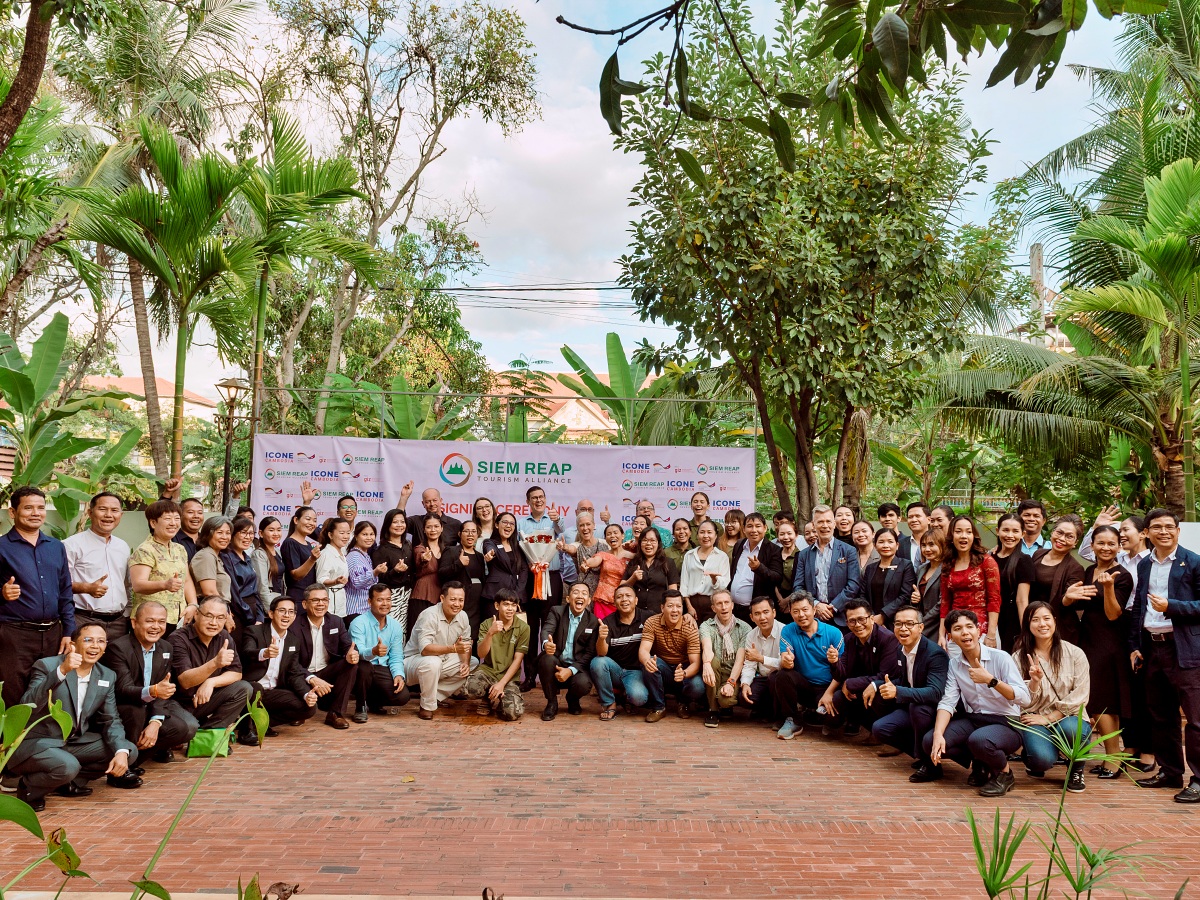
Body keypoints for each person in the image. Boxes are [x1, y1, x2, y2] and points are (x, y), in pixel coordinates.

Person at [9, 624, 140, 811]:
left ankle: (69, 782)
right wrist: (62, 671)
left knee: (128, 751)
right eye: (88, 640)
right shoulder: (48, 665)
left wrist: (120, 752)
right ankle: (29, 788)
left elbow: (111, 719)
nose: (95, 645)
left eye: (100, 641)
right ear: (73, 645)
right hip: (38, 742)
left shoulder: (107, 675)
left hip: (73, 742)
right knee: (67, 766)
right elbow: (28, 705)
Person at [1128, 508, 1200, 802]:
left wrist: (1171, 606)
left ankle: (1198, 779)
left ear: (1178, 531)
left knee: (1195, 719)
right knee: (1161, 714)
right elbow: (1138, 608)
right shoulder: (1144, 564)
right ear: (1147, 533)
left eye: (1169, 526)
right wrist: (1134, 645)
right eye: (1156, 527)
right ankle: (1170, 771)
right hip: (1151, 647)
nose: (1164, 531)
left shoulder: (1193, 562)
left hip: (1184, 648)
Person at [923, 609, 1030, 797]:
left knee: (979, 740)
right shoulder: (955, 664)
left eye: (969, 627)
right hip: (975, 720)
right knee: (930, 741)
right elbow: (948, 701)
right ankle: (980, 763)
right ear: (950, 637)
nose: (965, 632)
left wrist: (991, 680)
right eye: (957, 628)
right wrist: (939, 734)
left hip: (1007, 722)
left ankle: (1005, 774)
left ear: (979, 631)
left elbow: (1024, 697)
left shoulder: (1001, 657)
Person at [0, 486, 76, 709]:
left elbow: (65, 590)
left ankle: (40, 741)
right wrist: (2, 592)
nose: (36, 513)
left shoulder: (56, 546)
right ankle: (11, 743)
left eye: (41, 508)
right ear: (12, 512)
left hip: (53, 634)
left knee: (50, 688)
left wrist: (68, 630)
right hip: (15, 634)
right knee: (13, 691)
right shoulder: (2, 547)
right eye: (28, 508)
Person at [1070, 525, 1134, 778]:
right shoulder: (1088, 570)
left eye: (1111, 543)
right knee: (1094, 701)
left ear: (1119, 546)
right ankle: (1110, 756)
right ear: (1093, 546)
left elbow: (1113, 613)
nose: (1106, 548)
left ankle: (1114, 760)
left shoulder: (1123, 575)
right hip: (1088, 638)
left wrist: (1108, 588)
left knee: (1104, 704)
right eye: (1101, 543)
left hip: (1109, 643)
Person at [103, 601, 198, 765]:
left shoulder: (166, 647)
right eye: (149, 621)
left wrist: (155, 721)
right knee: (136, 712)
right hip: (126, 707)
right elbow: (123, 690)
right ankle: (124, 763)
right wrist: (153, 691)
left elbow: (164, 688)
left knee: (185, 728)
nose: (156, 626)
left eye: (161, 622)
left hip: (152, 705)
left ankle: (136, 760)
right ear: (134, 623)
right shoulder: (118, 648)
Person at [1011, 601, 1091, 792]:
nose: (1042, 624)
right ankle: (1034, 755)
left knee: (1074, 729)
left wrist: (1048, 718)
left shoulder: (1074, 654)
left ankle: (1076, 768)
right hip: (1035, 718)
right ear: (1028, 625)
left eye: (1047, 618)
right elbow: (1018, 699)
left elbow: (1081, 695)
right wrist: (1034, 682)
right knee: (1042, 760)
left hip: (1068, 717)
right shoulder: (1018, 657)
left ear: (1054, 621)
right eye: (1035, 620)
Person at [870, 605, 949, 776]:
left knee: (918, 709)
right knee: (880, 728)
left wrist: (898, 691)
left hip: (934, 710)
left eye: (909, 624)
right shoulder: (901, 649)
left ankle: (932, 766)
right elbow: (906, 681)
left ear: (921, 627)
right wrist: (877, 685)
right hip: (912, 705)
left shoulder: (935, 654)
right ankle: (921, 755)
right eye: (898, 624)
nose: (903, 629)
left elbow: (936, 692)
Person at [288, 584, 368, 729]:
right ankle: (299, 712)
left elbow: (348, 646)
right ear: (305, 604)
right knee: (302, 706)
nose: (321, 604)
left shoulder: (336, 621)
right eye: (315, 600)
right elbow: (291, 663)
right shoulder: (294, 626)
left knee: (350, 664)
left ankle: (336, 713)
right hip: (302, 675)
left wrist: (351, 654)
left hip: (327, 673)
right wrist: (311, 678)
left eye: (325, 600)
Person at [169, 596, 254, 732]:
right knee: (189, 727)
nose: (214, 623)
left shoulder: (224, 636)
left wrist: (211, 682)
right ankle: (190, 731)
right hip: (178, 703)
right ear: (196, 614)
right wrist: (215, 663)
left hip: (204, 700)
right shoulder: (178, 638)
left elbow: (236, 673)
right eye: (209, 616)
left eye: (220, 618)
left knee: (244, 688)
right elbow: (185, 681)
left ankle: (209, 733)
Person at [240, 597, 318, 740]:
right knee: (256, 688)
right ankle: (245, 731)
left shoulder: (293, 640)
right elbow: (245, 653)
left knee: (309, 707)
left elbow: (294, 674)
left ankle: (261, 723)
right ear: (271, 614)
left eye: (290, 612)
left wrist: (307, 695)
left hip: (272, 692)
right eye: (282, 611)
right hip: (250, 689)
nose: (286, 615)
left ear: (294, 616)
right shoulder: (254, 631)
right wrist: (265, 653)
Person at [824, 598, 903, 737]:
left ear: (872, 619)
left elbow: (886, 675)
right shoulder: (849, 639)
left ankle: (885, 734)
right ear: (847, 623)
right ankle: (841, 724)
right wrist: (835, 662)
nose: (858, 625)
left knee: (880, 696)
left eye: (862, 619)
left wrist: (850, 683)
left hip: (884, 688)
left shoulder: (888, 639)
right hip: (859, 689)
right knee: (838, 698)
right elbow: (842, 674)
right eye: (852, 621)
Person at [772, 591, 844, 740]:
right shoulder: (788, 630)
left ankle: (825, 718)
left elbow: (843, 671)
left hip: (828, 688)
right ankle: (792, 720)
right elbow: (786, 655)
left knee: (834, 720)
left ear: (814, 609)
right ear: (790, 613)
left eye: (805, 610)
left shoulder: (834, 633)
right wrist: (786, 660)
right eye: (796, 611)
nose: (801, 615)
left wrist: (829, 691)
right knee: (782, 675)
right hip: (804, 687)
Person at [65, 492, 131, 644]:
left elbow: (127, 585)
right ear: (90, 513)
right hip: (84, 620)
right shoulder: (71, 545)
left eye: (114, 510)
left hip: (118, 623)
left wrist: (127, 614)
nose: (109, 515)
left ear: (121, 514)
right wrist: (86, 588)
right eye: (102, 509)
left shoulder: (123, 546)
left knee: (115, 667)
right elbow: (58, 584)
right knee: (80, 665)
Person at [403, 581, 472, 720]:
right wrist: (452, 649)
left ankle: (434, 697)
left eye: (460, 600)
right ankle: (426, 706)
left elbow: (465, 644)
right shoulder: (429, 615)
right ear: (442, 598)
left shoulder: (463, 616)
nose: (457, 604)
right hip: (414, 663)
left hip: (441, 660)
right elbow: (425, 649)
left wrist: (465, 662)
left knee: (473, 663)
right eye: (453, 599)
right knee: (432, 662)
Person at [129, 499, 197, 632]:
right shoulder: (145, 550)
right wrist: (165, 585)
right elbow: (138, 584)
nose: (173, 523)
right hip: (152, 620)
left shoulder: (180, 549)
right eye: (167, 518)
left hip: (178, 617)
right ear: (153, 523)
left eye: (177, 518)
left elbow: (186, 580)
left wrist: (193, 604)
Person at [537, 581, 601, 720]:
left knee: (584, 684)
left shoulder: (593, 621)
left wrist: (571, 670)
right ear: (568, 598)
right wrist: (546, 643)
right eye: (576, 592)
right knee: (547, 659)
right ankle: (551, 702)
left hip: (577, 667)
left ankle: (572, 699)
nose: (580, 596)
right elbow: (547, 629)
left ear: (589, 600)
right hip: (556, 662)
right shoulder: (556, 611)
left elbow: (590, 653)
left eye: (584, 593)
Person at [463, 588, 528, 720]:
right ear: (497, 605)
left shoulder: (524, 627)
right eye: (506, 604)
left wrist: (501, 684)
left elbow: (517, 660)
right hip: (488, 671)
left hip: (509, 677)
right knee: (469, 689)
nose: (510, 609)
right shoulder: (486, 625)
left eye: (513, 605)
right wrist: (490, 634)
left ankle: (501, 700)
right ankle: (488, 697)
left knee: (512, 713)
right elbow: (481, 654)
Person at [792, 504, 860, 628]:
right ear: (814, 525)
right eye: (820, 522)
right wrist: (816, 605)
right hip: (813, 618)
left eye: (828, 521)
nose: (825, 526)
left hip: (842, 617)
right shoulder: (804, 555)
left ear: (834, 523)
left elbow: (853, 585)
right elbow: (798, 586)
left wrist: (833, 607)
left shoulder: (849, 550)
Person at [349, 583, 412, 716]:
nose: (385, 604)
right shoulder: (358, 623)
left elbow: (396, 656)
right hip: (361, 667)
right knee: (364, 668)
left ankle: (373, 701)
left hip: (381, 669)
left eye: (388, 599)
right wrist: (373, 651)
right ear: (370, 601)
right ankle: (360, 707)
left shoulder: (395, 626)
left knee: (402, 696)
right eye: (380, 600)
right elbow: (357, 652)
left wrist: (398, 675)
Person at [639, 590, 703, 721]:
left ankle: (683, 703)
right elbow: (643, 650)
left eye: (678, 606)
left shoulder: (690, 627)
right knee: (650, 662)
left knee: (698, 686)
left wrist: (684, 673)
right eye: (670, 606)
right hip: (664, 669)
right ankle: (659, 707)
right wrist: (647, 661)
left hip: (684, 669)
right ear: (662, 607)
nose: (675, 610)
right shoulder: (652, 622)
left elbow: (696, 663)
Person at [939, 516, 1001, 649]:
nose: (963, 536)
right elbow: (945, 602)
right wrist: (941, 635)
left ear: (974, 536)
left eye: (968, 531)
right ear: (951, 536)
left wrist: (991, 634)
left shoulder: (986, 561)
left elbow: (994, 599)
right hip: (955, 631)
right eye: (958, 531)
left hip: (982, 631)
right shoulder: (948, 564)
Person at [590, 585, 650, 719]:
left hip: (636, 672)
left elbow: (667, 619)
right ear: (614, 602)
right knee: (598, 663)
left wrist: (687, 617)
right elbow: (601, 653)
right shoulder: (607, 622)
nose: (624, 599)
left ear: (636, 600)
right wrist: (601, 637)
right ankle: (609, 703)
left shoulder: (648, 617)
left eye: (628, 596)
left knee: (639, 698)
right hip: (615, 670)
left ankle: (626, 696)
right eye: (619, 597)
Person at [1031, 515, 1087, 646]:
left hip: (1058, 627)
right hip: (1033, 621)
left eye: (1069, 536)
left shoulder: (1075, 568)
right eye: (1059, 532)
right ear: (1052, 532)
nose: (1062, 539)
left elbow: (1067, 603)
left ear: (1075, 542)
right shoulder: (1038, 554)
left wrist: (1067, 597)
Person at [698, 589, 750, 728]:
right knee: (712, 660)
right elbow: (707, 647)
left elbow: (740, 660)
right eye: (719, 603)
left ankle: (723, 703)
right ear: (713, 608)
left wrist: (731, 683)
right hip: (713, 671)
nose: (723, 607)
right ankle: (713, 710)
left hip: (733, 673)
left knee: (725, 701)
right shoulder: (706, 626)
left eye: (727, 602)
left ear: (732, 605)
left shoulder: (744, 628)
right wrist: (707, 663)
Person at [992, 513, 1036, 651]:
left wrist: (1025, 633)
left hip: (1011, 621)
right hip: (989, 618)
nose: (1010, 535)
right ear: (997, 531)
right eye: (1005, 530)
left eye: (1015, 531)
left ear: (1022, 534)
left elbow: (1022, 600)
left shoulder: (1024, 561)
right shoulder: (988, 558)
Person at [729, 513, 783, 624]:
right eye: (749, 526)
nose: (754, 530)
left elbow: (777, 578)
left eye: (758, 526)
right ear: (743, 529)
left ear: (765, 528)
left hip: (756, 611)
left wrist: (759, 568)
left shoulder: (774, 550)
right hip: (734, 609)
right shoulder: (739, 545)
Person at [857, 528, 916, 628]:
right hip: (872, 621)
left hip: (897, 622)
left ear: (897, 546)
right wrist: (872, 617)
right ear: (875, 546)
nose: (885, 545)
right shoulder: (870, 568)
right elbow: (863, 594)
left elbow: (905, 595)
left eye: (890, 542)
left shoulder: (905, 565)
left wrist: (883, 616)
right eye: (881, 542)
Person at [439, 520, 485, 644]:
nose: (470, 534)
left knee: (473, 638)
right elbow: (441, 574)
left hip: (476, 605)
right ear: (460, 534)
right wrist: (459, 564)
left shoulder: (480, 556)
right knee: (456, 637)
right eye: (466, 531)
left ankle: (471, 662)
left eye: (473, 531)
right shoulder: (452, 551)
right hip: (458, 603)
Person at [740, 595, 784, 720]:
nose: (762, 617)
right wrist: (745, 684)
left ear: (774, 613)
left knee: (775, 679)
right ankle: (766, 709)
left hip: (781, 677)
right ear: (751, 617)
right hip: (763, 678)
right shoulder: (751, 635)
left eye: (766, 612)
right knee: (744, 697)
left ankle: (779, 714)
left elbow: (784, 664)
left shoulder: (785, 631)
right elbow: (749, 665)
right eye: (757, 614)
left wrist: (761, 658)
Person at [679, 520, 730, 623]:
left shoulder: (722, 557)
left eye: (709, 532)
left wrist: (714, 579)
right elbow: (684, 584)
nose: (705, 536)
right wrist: (689, 607)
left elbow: (724, 584)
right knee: (692, 637)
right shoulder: (689, 555)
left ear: (715, 536)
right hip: (692, 604)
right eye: (702, 532)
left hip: (713, 605)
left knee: (710, 636)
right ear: (697, 535)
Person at [481, 511, 528, 624]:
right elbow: (490, 549)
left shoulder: (517, 546)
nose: (508, 526)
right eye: (505, 522)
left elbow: (523, 569)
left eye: (512, 524)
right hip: (494, 595)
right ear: (497, 525)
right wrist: (489, 554)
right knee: (493, 630)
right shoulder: (490, 543)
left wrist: (517, 592)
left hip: (515, 595)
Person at [621, 528, 680, 615]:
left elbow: (673, 591)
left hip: (660, 613)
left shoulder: (668, 562)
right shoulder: (634, 562)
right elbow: (621, 588)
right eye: (645, 540)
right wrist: (633, 578)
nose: (648, 544)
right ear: (640, 543)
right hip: (636, 613)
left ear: (658, 543)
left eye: (652, 540)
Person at [373, 509, 414, 627]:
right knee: (392, 629)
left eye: (402, 522)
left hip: (409, 595)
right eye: (395, 522)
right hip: (392, 597)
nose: (399, 525)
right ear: (388, 525)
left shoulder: (408, 545)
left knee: (406, 632)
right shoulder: (381, 550)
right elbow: (379, 579)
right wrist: (395, 571)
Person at [222, 518, 262, 634]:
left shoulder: (247, 558)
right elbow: (234, 593)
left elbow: (255, 590)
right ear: (233, 534)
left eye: (251, 533)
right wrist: (250, 618)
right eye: (243, 532)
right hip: (239, 613)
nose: (248, 537)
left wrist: (259, 617)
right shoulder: (226, 557)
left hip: (252, 612)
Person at [409, 515, 445, 636]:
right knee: (418, 632)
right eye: (429, 527)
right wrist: (424, 558)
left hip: (440, 597)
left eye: (436, 526)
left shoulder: (446, 549)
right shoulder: (420, 548)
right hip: (422, 595)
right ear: (424, 530)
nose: (433, 530)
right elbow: (420, 557)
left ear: (442, 528)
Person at [398, 483, 464, 545]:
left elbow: (466, 546)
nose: (432, 504)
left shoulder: (455, 524)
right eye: (427, 502)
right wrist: (404, 498)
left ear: (441, 501)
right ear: (423, 504)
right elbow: (397, 522)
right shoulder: (415, 521)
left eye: (435, 500)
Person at [280, 506, 321, 602]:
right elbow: (295, 574)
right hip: (297, 598)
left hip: (309, 597)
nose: (312, 523)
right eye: (308, 519)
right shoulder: (290, 543)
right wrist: (312, 559)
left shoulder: (309, 544)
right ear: (296, 520)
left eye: (314, 520)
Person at [191, 517, 232, 609]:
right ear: (207, 534)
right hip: (210, 609)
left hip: (218, 607)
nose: (225, 537)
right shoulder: (206, 555)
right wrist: (225, 613)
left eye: (228, 533)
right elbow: (209, 592)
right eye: (220, 532)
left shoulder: (216, 555)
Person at [315, 516, 352, 618]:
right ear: (331, 535)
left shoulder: (342, 552)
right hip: (330, 601)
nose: (346, 536)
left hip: (340, 601)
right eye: (341, 533)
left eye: (348, 533)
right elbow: (321, 579)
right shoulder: (326, 554)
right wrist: (335, 581)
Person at [346, 522, 384, 619]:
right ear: (356, 536)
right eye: (364, 534)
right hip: (356, 610)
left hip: (364, 610)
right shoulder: (355, 556)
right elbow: (357, 582)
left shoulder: (364, 555)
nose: (369, 538)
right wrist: (375, 572)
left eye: (371, 534)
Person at [913, 529, 945, 641]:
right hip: (920, 626)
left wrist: (921, 622)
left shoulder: (947, 569)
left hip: (938, 626)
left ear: (942, 545)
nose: (927, 549)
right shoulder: (921, 569)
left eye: (932, 545)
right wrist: (915, 599)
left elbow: (942, 603)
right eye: (923, 545)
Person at [251, 516, 286, 614]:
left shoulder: (278, 552)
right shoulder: (259, 554)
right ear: (261, 533)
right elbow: (262, 587)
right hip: (268, 606)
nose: (276, 533)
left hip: (280, 601)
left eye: (279, 530)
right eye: (271, 530)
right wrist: (271, 611)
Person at [774, 520, 801, 620]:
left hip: (796, 600)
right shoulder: (775, 554)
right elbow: (772, 579)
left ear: (796, 535)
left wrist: (787, 601)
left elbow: (803, 582)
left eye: (789, 533)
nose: (786, 537)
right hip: (776, 601)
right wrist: (780, 600)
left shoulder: (802, 556)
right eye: (782, 534)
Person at [899, 502, 931, 569]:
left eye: (918, 516)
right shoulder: (900, 545)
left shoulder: (940, 542)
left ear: (929, 520)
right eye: (910, 517)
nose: (913, 520)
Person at [175, 497, 205, 562]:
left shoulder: (207, 540)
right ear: (180, 515)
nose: (196, 516)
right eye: (190, 512)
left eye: (200, 513)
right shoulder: (172, 539)